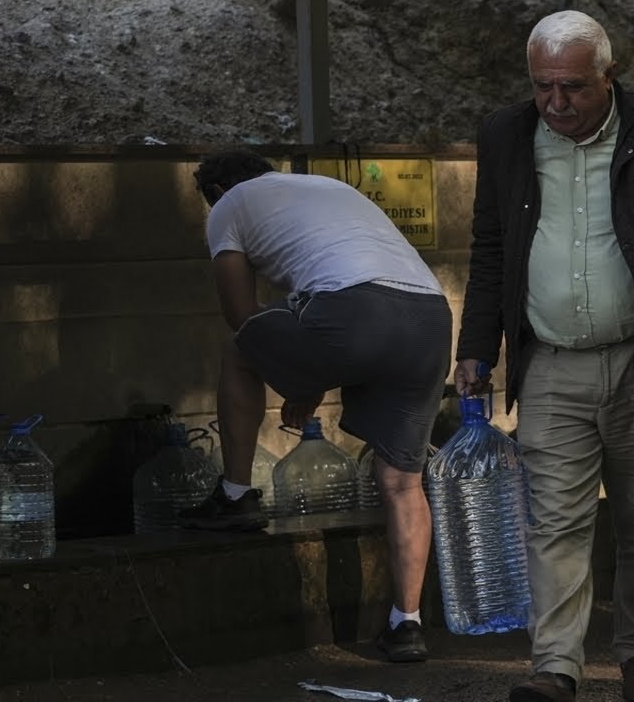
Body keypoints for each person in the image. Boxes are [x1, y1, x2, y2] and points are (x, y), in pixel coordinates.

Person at [453, 10, 634, 702]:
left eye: (574, 88)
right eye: (544, 87)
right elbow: (490, 249)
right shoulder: (505, 135)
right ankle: (555, 666)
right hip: (550, 361)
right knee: (554, 521)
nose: (557, 103)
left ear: (609, 75)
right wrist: (475, 348)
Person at [182, 150, 452, 664]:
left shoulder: (228, 206)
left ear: (216, 192)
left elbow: (242, 316)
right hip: (428, 316)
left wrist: (299, 377)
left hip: (353, 309)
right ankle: (407, 624)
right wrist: (305, 376)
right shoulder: (325, 188)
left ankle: (236, 493)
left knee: (237, 353)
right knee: (402, 482)